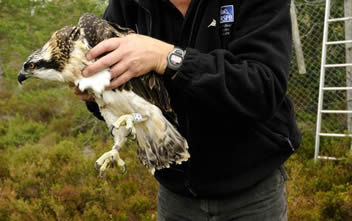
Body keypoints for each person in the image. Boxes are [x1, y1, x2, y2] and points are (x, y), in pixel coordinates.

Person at [75, 0, 302, 220]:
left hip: (252, 192)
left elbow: (263, 88)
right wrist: (99, 95)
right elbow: (130, 105)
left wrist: (169, 58)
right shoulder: (128, 5)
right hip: (175, 194)